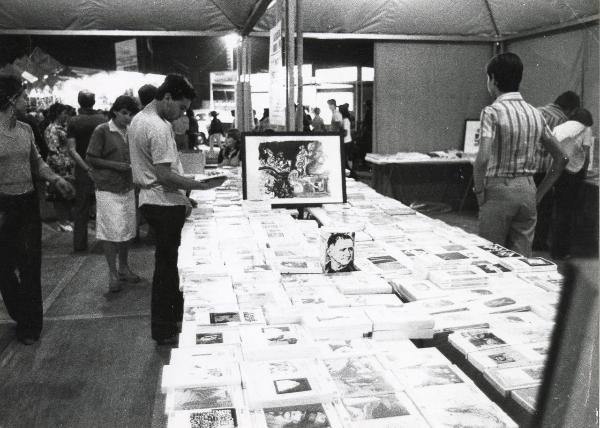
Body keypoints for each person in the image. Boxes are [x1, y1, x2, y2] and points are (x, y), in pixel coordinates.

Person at [128, 74, 227, 345]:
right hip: (163, 201)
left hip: (152, 200)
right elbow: (165, 175)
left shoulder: (139, 119)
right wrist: (199, 186)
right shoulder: (159, 127)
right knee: (166, 268)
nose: (182, 114)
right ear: (167, 97)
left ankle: (171, 321)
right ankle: (164, 327)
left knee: (166, 265)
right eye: (181, 108)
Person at [0, 75, 75, 344]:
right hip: (2, 207)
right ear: (10, 99)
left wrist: (56, 178)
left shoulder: (26, 129)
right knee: (5, 267)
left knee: (31, 265)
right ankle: (21, 313)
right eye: (22, 96)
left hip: (27, 203)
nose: (26, 100)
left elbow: (37, 162)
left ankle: (31, 325)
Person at [473, 52, 568, 257]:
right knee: (521, 259)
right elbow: (562, 157)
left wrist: (479, 191)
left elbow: (482, 158)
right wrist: (539, 193)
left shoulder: (492, 112)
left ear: (494, 79)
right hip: (528, 189)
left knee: (490, 257)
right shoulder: (535, 113)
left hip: (498, 189)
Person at [86, 95, 140, 293]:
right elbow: (91, 157)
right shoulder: (102, 130)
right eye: (125, 113)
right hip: (107, 188)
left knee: (126, 229)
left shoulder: (131, 131)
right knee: (109, 231)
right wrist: (115, 165)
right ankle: (112, 273)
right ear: (115, 111)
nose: (128, 118)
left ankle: (124, 267)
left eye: (131, 114)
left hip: (127, 187)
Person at [533, 90, 581, 251]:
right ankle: (538, 243)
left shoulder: (535, 112)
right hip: (547, 170)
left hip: (528, 167)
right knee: (544, 207)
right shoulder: (564, 121)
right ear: (571, 109)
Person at [550, 108, 593, 259]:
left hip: (559, 171)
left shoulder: (558, 128)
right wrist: (586, 173)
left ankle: (554, 248)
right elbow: (586, 155)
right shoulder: (586, 129)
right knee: (569, 211)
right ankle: (564, 250)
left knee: (559, 209)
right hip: (574, 174)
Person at [67, 90, 106, 252]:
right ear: (94, 102)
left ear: (79, 101)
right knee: (104, 207)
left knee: (81, 209)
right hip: (102, 168)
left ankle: (80, 244)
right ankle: (107, 244)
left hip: (83, 171)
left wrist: (85, 167)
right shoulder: (103, 120)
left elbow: (71, 150)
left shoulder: (73, 121)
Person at [44, 102, 75, 231]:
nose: (66, 115)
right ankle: (62, 221)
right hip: (58, 165)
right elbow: (53, 150)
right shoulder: (52, 129)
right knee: (58, 194)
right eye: (64, 113)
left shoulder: (62, 127)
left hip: (66, 164)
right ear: (58, 114)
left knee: (66, 193)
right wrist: (63, 166)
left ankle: (66, 219)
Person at [339, 104, 353, 172]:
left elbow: (345, 133)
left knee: (345, 159)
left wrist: (339, 134)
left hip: (346, 141)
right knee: (346, 158)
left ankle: (351, 173)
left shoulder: (345, 120)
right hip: (346, 141)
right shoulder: (344, 120)